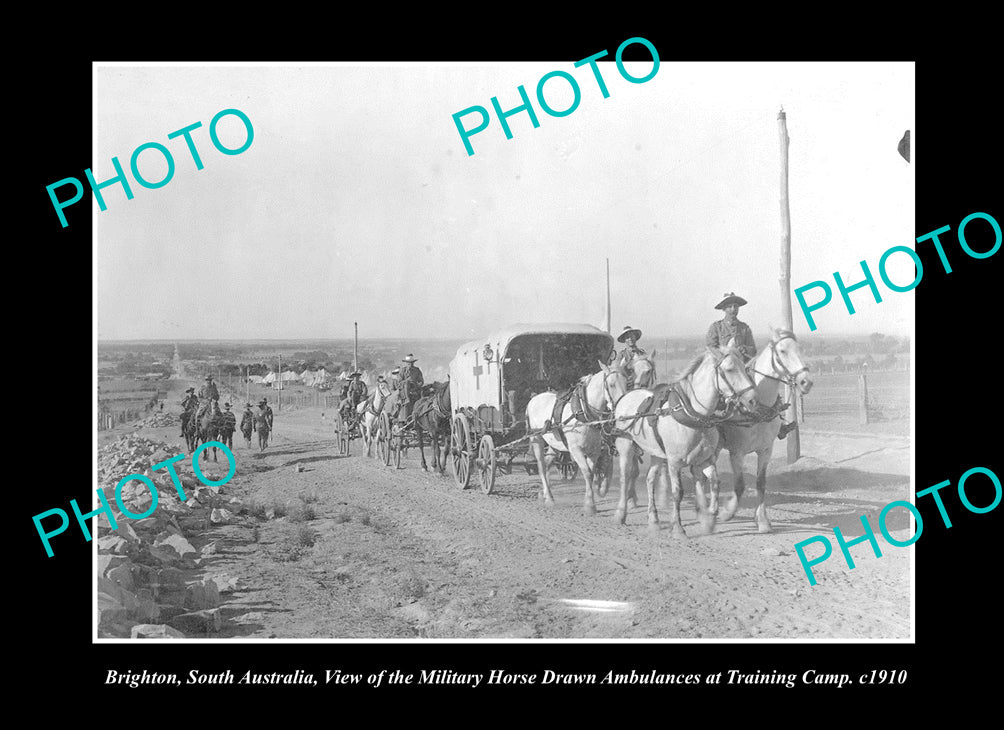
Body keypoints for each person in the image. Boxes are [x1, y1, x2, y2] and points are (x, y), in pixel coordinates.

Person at [706, 292, 757, 362]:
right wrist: (722, 357)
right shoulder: (716, 327)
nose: (733, 309)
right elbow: (711, 346)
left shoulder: (745, 328)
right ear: (724, 309)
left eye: (735, 306)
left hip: (741, 366)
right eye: (729, 307)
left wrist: (744, 349)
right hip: (722, 366)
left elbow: (753, 350)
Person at [398, 354, 424, 422]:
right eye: (409, 363)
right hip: (405, 391)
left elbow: (421, 381)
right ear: (406, 363)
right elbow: (399, 383)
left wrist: (419, 384)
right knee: (406, 384)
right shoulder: (402, 371)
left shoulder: (417, 370)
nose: (410, 364)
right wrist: (407, 381)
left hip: (415, 389)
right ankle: (407, 402)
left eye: (412, 363)